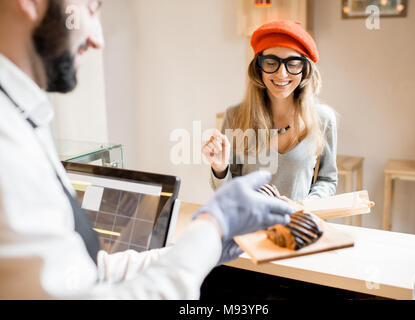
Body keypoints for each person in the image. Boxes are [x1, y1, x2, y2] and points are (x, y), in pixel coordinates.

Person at [0, 0, 294, 299]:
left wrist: (203, 246)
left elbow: (86, 273)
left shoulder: (21, 117)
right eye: (90, 8)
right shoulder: (6, 142)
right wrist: (211, 227)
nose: (97, 39)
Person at [203, 20, 338, 205]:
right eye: (271, 62)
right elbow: (227, 192)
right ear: (259, 68)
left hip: (295, 225)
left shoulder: (323, 119)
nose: (282, 74)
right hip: (248, 225)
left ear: (305, 69)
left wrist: (302, 206)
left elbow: (327, 180)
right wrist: (220, 168)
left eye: (293, 63)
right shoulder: (235, 116)